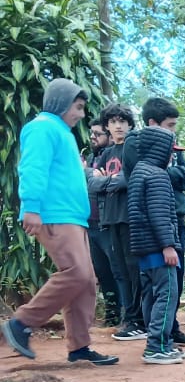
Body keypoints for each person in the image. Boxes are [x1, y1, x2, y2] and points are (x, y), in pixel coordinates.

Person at [3, 78, 118, 366]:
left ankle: (79, 347)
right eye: (77, 107)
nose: (81, 114)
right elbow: (32, 168)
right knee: (77, 274)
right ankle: (21, 323)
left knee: (86, 281)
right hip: (54, 214)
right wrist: (31, 207)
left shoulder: (62, 132)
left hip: (72, 216)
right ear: (60, 103)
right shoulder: (42, 127)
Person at [139, 97, 185, 347]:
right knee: (158, 284)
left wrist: (170, 172)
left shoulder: (174, 150)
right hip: (155, 228)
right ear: (153, 123)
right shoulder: (138, 148)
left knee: (175, 279)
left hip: (175, 221)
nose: (174, 131)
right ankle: (157, 340)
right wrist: (167, 174)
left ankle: (169, 330)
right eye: (170, 125)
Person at [126, 126, 185, 364]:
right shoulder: (157, 176)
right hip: (159, 249)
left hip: (143, 248)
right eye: (170, 151)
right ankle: (156, 347)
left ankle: (162, 343)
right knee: (167, 295)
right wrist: (168, 245)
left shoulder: (138, 172)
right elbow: (159, 214)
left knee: (151, 296)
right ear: (159, 149)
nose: (172, 156)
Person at [93, 102, 147, 342]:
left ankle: (139, 321)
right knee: (121, 272)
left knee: (135, 269)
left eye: (122, 121)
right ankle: (130, 318)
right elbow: (92, 184)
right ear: (107, 126)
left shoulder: (133, 147)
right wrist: (111, 182)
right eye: (113, 122)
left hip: (130, 217)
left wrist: (107, 181)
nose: (118, 126)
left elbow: (130, 178)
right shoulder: (105, 153)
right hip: (111, 219)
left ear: (129, 124)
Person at [84, 118, 120, 326]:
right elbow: (91, 183)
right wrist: (93, 175)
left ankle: (127, 314)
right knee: (103, 272)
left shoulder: (115, 156)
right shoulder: (91, 158)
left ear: (109, 136)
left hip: (109, 223)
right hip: (91, 224)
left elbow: (109, 183)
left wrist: (94, 177)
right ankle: (112, 315)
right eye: (92, 133)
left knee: (117, 270)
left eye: (97, 134)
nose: (93, 137)